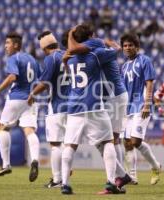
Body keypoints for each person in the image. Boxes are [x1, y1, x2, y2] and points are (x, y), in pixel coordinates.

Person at [64, 23, 132, 190]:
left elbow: (71, 62)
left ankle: (65, 183)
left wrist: (70, 38)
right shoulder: (96, 54)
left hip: (80, 105)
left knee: (71, 145)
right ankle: (119, 177)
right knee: (108, 140)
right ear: (90, 38)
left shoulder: (69, 58)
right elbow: (116, 50)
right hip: (97, 102)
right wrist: (110, 44)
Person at [0, 32, 40, 182]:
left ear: (16, 45)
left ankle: (6, 164)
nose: (5, 46)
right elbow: (41, 80)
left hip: (16, 98)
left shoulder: (13, 58)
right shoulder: (32, 59)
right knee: (29, 131)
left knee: (4, 127)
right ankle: (35, 160)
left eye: (8, 43)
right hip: (31, 99)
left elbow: (12, 77)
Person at [27, 31, 70, 188]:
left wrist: (32, 94)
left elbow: (44, 83)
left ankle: (57, 179)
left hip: (58, 105)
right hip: (74, 106)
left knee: (55, 144)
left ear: (44, 48)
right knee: (69, 143)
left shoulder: (50, 58)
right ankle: (65, 172)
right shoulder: (68, 54)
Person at [121, 33, 161, 185]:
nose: (127, 48)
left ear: (136, 46)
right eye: (125, 45)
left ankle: (156, 166)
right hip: (128, 106)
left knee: (136, 141)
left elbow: (149, 83)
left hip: (140, 104)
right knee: (127, 143)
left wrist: (147, 103)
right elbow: (123, 88)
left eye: (130, 45)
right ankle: (132, 177)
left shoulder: (145, 60)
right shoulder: (123, 66)